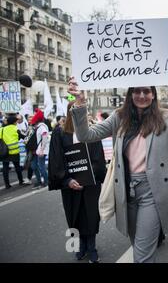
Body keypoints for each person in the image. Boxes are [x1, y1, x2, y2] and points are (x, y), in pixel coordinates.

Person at [68, 74, 168, 263]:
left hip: (154, 190)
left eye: (146, 91)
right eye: (137, 91)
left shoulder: (165, 116)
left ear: (153, 95)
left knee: (142, 255)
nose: (141, 95)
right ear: (130, 94)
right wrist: (79, 103)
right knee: (140, 247)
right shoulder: (119, 117)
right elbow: (86, 135)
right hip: (127, 191)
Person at [48, 102, 106, 263]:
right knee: (75, 215)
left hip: (90, 183)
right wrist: (67, 180)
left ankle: (92, 246)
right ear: (69, 113)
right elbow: (57, 159)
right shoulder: (60, 133)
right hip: (70, 184)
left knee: (91, 215)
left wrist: (90, 176)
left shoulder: (92, 132)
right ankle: (80, 245)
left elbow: (98, 158)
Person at [0, 115, 26, 188]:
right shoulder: (16, 128)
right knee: (17, 167)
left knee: (5, 168)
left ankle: (7, 185)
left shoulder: (2, 129)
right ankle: (21, 181)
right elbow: (22, 137)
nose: (17, 122)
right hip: (14, 152)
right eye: (16, 121)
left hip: (4, 152)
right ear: (14, 122)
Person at [30, 109, 50, 189]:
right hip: (36, 150)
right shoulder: (37, 127)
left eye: (34, 115)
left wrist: (42, 150)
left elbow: (44, 138)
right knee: (34, 166)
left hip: (41, 150)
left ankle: (46, 181)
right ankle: (39, 181)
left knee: (41, 166)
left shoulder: (42, 127)